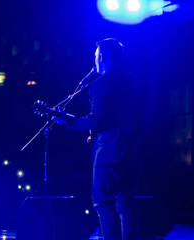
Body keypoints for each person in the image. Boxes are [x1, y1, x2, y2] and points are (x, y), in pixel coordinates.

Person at [54, 38, 141, 240]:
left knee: (103, 205)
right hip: (133, 154)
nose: (94, 61)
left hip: (109, 155)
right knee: (127, 204)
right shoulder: (132, 81)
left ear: (101, 56)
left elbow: (97, 120)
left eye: (95, 57)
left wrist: (69, 122)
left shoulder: (101, 84)